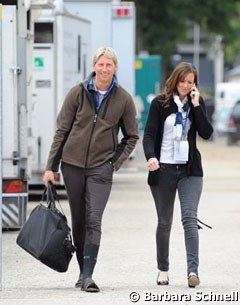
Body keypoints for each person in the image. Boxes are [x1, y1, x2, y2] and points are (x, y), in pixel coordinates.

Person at [42, 47, 139, 292]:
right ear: (94, 66)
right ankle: (82, 272)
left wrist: (113, 163)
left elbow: (131, 137)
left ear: (115, 68)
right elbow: (62, 131)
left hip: (101, 168)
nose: (105, 69)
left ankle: (88, 275)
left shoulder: (124, 99)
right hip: (72, 165)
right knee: (79, 220)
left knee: (94, 219)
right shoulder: (77, 93)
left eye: (109, 65)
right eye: (101, 64)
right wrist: (50, 167)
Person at [143, 62, 213, 288]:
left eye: (190, 82)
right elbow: (150, 134)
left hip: (189, 171)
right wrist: (150, 156)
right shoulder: (159, 104)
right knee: (164, 222)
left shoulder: (196, 103)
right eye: (182, 81)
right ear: (175, 80)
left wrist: (196, 105)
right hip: (162, 169)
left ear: (195, 85)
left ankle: (193, 271)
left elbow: (206, 133)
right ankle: (163, 269)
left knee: (189, 219)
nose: (185, 85)